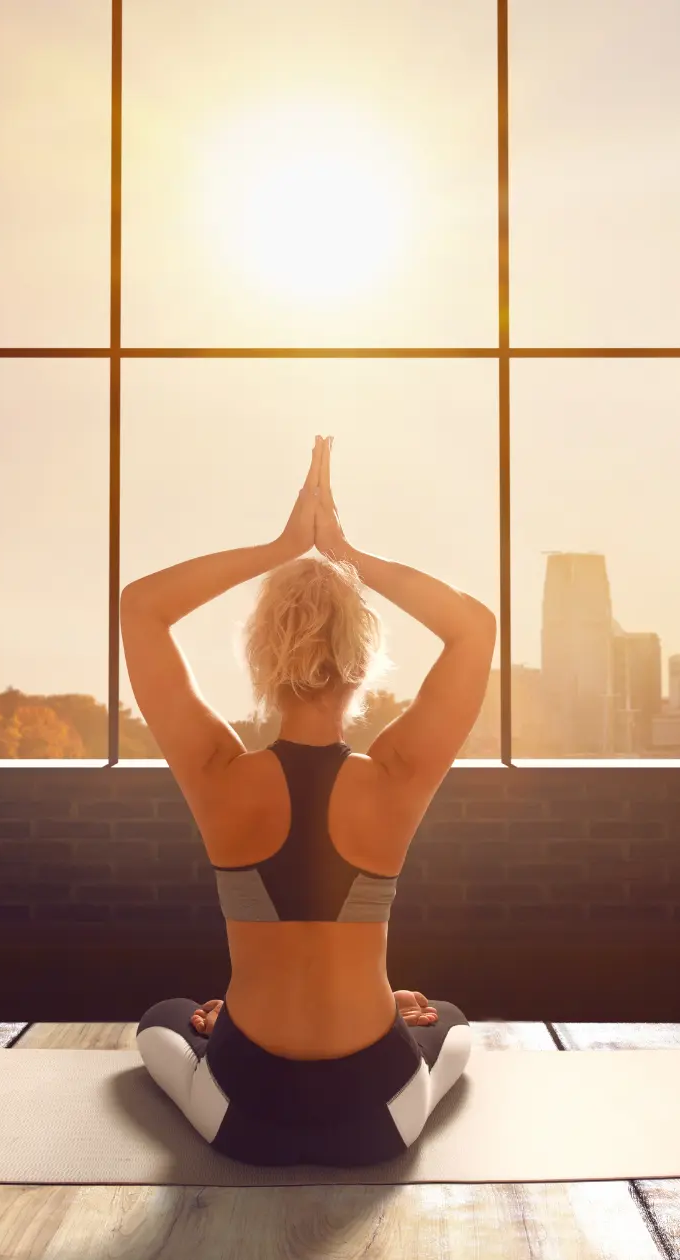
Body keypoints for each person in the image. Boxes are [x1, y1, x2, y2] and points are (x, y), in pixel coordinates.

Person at [123, 435, 495, 1166]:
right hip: (375, 1120)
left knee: (164, 1020)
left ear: (260, 658)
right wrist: (348, 554)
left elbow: (141, 607)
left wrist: (282, 547)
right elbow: (473, 628)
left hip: (248, 1117)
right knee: (446, 1020)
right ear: (362, 662)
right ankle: (382, 1014)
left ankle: (237, 1026)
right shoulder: (397, 776)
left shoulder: (214, 770)